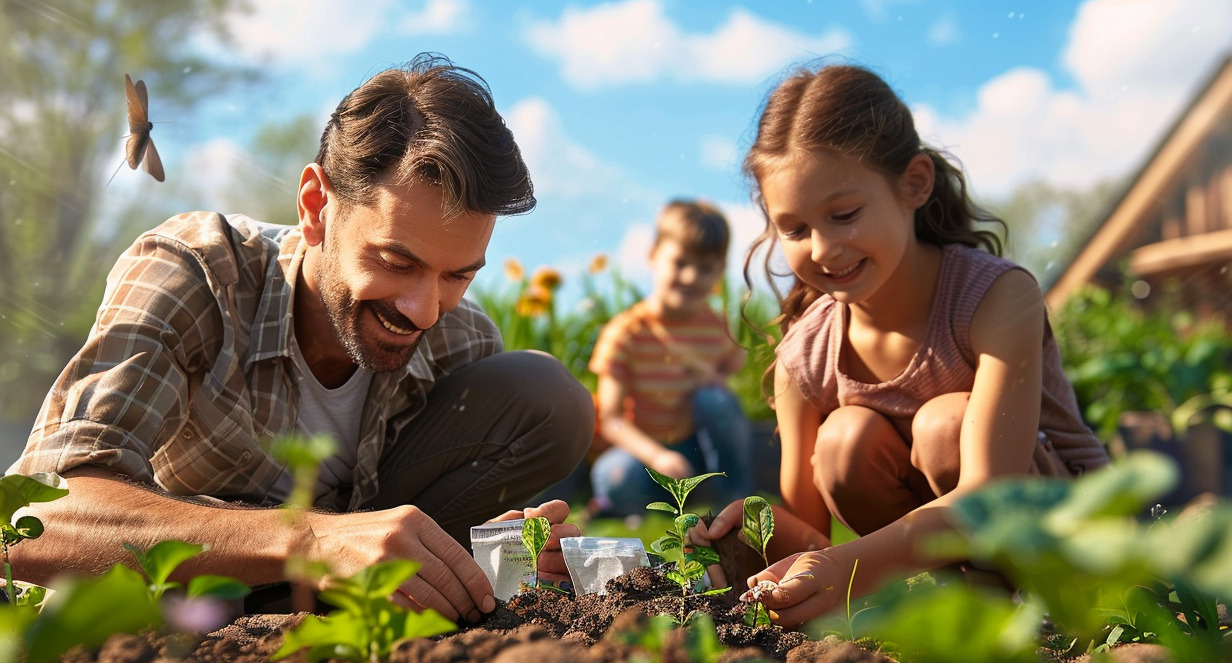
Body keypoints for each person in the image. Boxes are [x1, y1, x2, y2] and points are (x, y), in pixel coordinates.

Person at [6, 54, 594, 623]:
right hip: (189, 581)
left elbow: (414, 524)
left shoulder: (458, 338)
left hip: (338, 585)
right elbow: (34, 521)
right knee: (114, 608)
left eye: (458, 274)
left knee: (544, 393)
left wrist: (497, 558)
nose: (424, 310)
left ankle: (351, 599)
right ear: (316, 206)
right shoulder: (196, 274)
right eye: (395, 261)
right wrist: (313, 539)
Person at [693, 62, 1108, 626]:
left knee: (944, 427)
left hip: (1067, 533)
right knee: (845, 437)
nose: (822, 249)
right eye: (793, 229)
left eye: (844, 215)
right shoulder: (805, 355)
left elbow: (991, 493)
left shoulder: (995, 297)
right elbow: (812, 535)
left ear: (914, 184)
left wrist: (848, 570)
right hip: (942, 562)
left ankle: (1033, 616)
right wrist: (753, 532)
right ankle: (951, 608)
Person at [588, 199, 753, 517]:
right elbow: (611, 419)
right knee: (615, 477)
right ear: (653, 256)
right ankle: (643, 508)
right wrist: (657, 456)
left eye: (704, 268)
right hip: (645, 454)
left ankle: (734, 495)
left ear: (719, 270)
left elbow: (731, 373)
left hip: (697, 451)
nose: (691, 277)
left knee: (716, 400)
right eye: (680, 263)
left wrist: (712, 379)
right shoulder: (627, 332)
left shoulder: (716, 326)